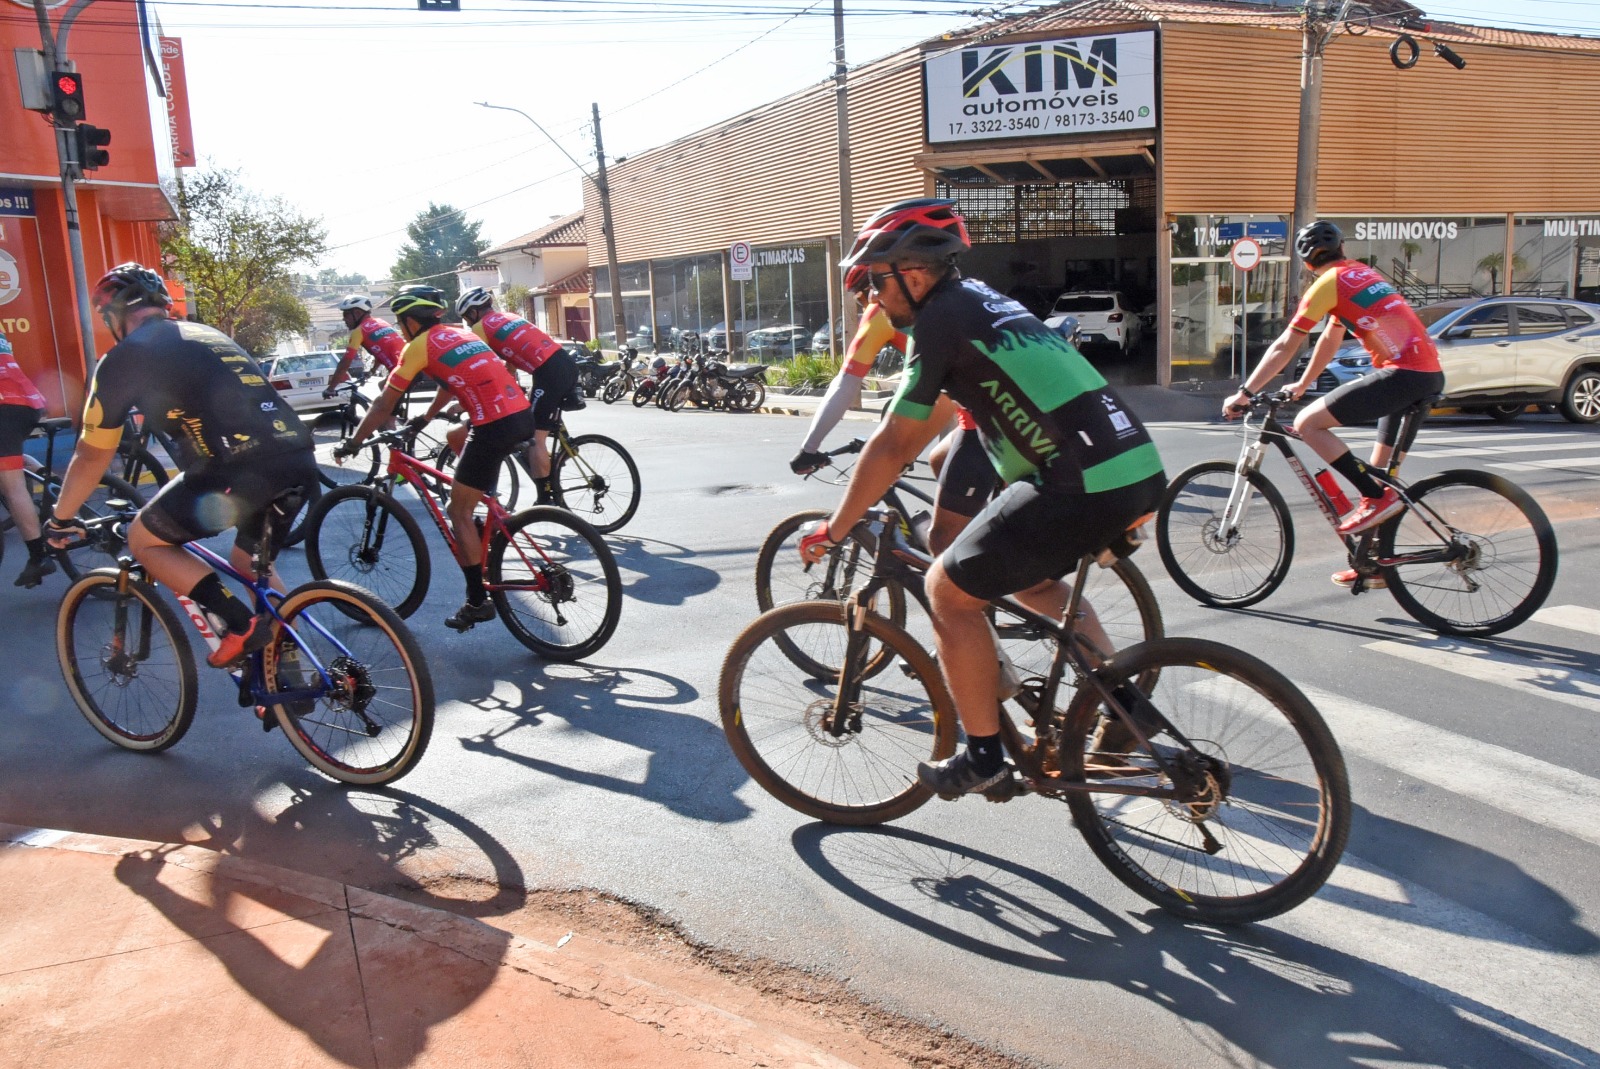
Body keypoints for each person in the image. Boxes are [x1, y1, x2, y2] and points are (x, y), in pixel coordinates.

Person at [799, 199, 1167, 799]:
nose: (872, 297)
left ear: (912, 274)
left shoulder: (941, 319)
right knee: (1031, 582)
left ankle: (984, 756)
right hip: (1134, 466)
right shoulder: (987, 303)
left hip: (1078, 480)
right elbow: (955, 418)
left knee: (946, 590)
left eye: (875, 281)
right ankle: (1125, 701)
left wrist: (837, 527)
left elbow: (895, 443)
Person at [46, 263, 319, 667]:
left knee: (145, 540)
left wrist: (61, 518)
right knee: (251, 565)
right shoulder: (209, 334)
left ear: (114, 318)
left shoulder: (125, 357)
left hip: (234, 468)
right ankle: (290, 671)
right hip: (298, 458)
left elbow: (92, 453)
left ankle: (239, 625)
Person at [1221, 220, 1445, 587]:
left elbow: (1285, 345)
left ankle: (1376, 502)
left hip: (1402, 375)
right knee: (1378, 479)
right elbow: (1331, 337)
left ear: (1306, 261)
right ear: (1341, 248)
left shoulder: (1327, 284)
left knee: (1309, 424)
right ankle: (1374, 568)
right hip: (1426, 374)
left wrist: (1244, 393)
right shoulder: (1362, 274)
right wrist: (1303, 384)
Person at [334, 284, 535, 631]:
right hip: (520, 414)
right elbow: (448, 382)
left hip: (493, 424)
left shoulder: (417, 347)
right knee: (455, 437)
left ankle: (476, 601)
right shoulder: (458, 334)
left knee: (456, 508)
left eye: (400, 321)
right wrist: (425, 418)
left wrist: (355, 442)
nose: (398, 328)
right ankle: (485, 513)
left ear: (412, 321)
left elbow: (384, 403)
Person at [790, 266, 990, 555]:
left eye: (867, 294)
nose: (868, 302)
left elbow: (846, 383)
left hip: (948, 392)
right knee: (940, 461)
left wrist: (810, 446)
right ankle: (966, 532)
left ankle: (960, 551)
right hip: (956, 392)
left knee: (890, 457)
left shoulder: (878, 313)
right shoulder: (953, 299)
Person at [454, 287, 579, 505]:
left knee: (534, 438)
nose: (467, 323)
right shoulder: (509, 317)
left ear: (473, 313)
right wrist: (510, 380)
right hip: (563, 364)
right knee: (535, 409)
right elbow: (511, 357)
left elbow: (481, 366)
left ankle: (545, 498)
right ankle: (565, 448)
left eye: (466, 318)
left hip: (548, 373)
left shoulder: (480, 328)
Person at [0, 327, 53, 588]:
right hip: (25, 400)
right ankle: (52, 485)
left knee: (11, 486)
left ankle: (38, 556)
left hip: (6, 404)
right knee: (10, 457)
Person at [323, 294, 405, 397]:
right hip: (410, 368)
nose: (344, 319)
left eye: (346, 315)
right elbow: (381, 351)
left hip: (402, 372)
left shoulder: (360, 331)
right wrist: (372, 371)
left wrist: (331, 388)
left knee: (379, 409)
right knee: (382, 387)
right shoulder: (381, 322)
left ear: (357, 313)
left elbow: (345, 362)